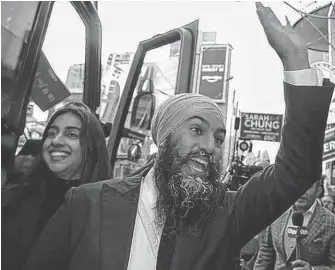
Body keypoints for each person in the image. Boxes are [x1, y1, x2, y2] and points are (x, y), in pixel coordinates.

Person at [24, 3, 334, 270]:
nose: (209, 147)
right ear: (165, 136)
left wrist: (295, 61)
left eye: (218, 138)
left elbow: (296, 171)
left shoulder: (227, 214)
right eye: (197, 130)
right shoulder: (88, 202)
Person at [2, 106, 111, 270]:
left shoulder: (107, 211)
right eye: (51, 133)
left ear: (91, 147)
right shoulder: (11, 199)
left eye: (71, 134)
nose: (56, 141)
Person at [254, 179, 335, 270]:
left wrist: (312, 269)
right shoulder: (276, 213)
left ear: (318, 191)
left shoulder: (331, 222)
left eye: (307, 187)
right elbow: (265, 253)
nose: (301, 192)